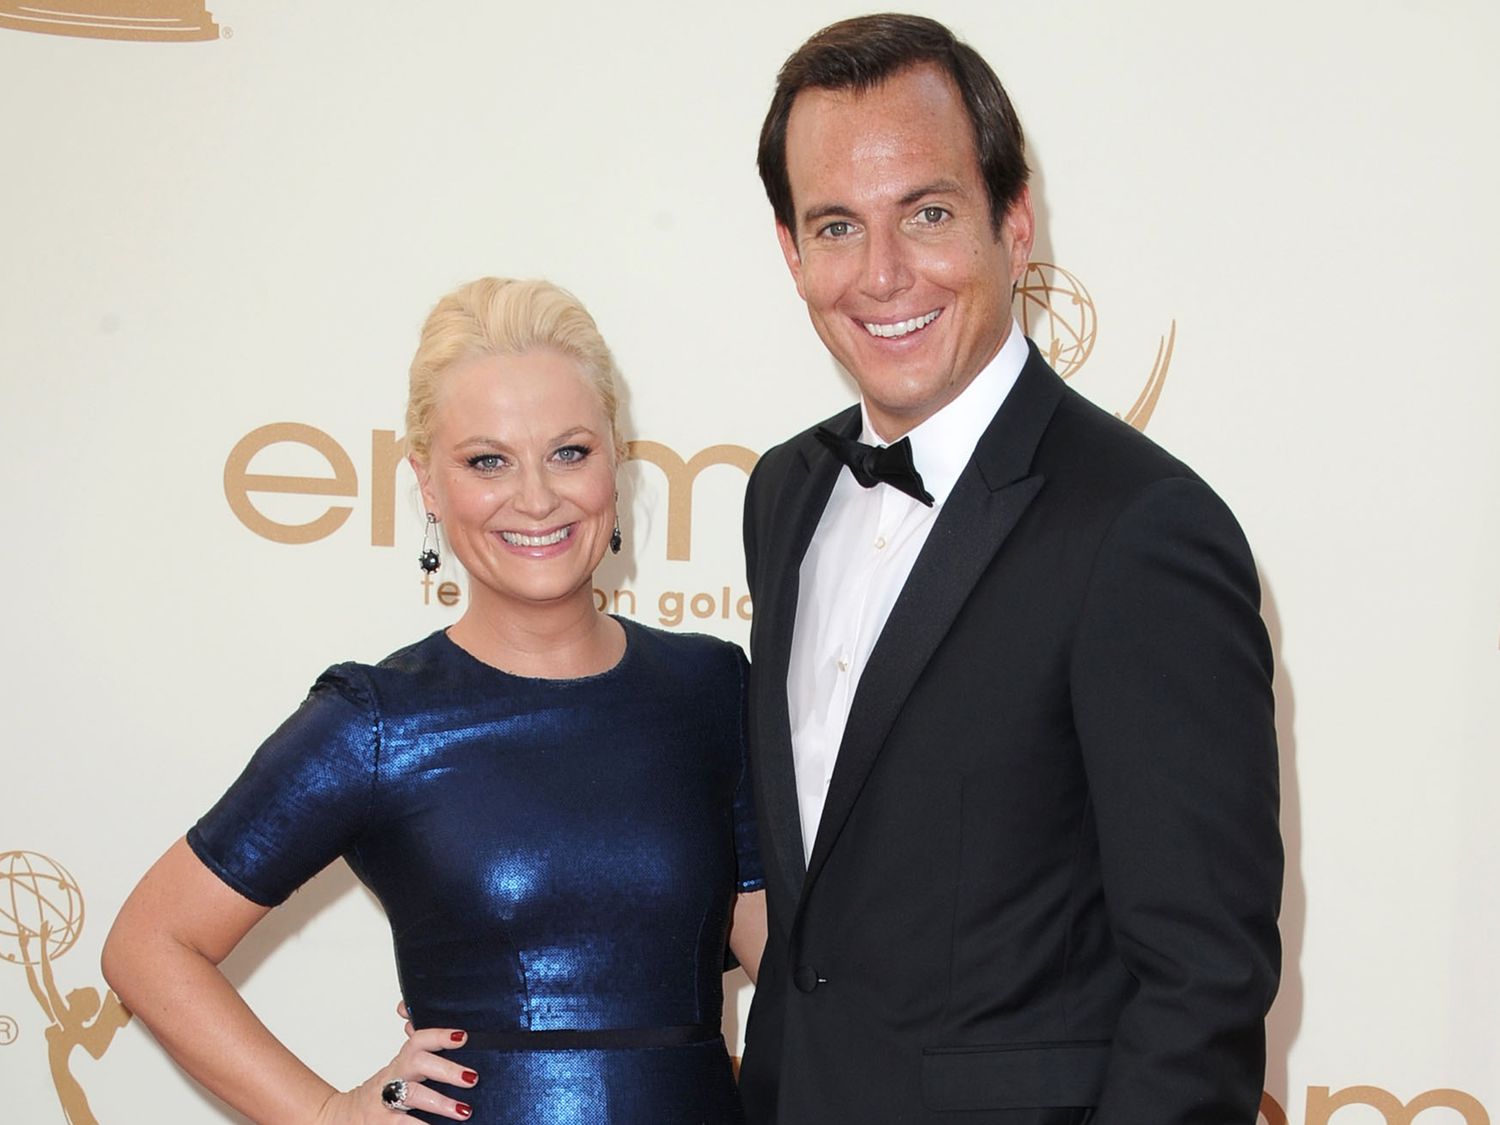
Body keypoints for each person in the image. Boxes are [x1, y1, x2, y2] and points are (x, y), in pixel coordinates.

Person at [738, 14, 1282, 1124]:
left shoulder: (1143, 530)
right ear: (791, 253)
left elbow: (1204, 987)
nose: (883, 274)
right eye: (837, 226)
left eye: (927, 214)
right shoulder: (786, 493)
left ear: (1014, 223)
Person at [102, 277, 767, 1125]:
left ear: (616, 457)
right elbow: (150, 945)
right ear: (427, 482)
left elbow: (777, 953)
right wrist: (328, 1113)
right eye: (487, 460)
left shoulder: (710, 685)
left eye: (570, 451)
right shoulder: (378, 721)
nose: (536, 497)